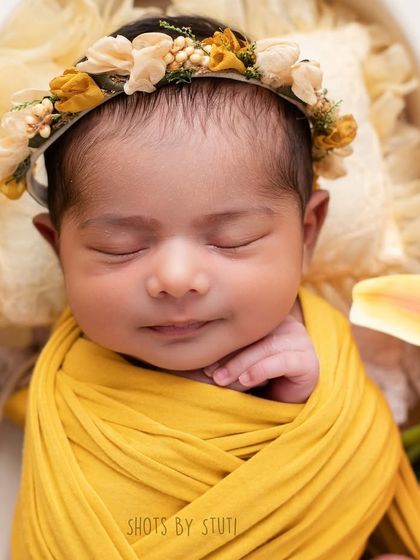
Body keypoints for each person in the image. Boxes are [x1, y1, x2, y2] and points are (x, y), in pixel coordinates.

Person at [1, 14, 419, 560]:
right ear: (59, 249)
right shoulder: (62, 387)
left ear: (307, 233)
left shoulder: (333, 359)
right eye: (121, 246)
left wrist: (301, 400)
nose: (176, 279)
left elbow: (350, 483)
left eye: (232, 238)